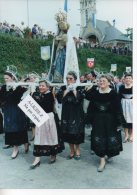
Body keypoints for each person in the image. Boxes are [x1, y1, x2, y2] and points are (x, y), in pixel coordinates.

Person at [85, 74, 124, 172]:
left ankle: (109, 153)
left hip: (110, 120)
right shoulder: (95, 93)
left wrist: (119, 122)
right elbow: (90, 105)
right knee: (99, 138)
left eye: (103, 81)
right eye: (100, 81)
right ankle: (102, 160)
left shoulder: (114, 94)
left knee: (109, 138)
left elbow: (118, 109)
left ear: (109, 83)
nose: (101, 82)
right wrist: (89, 119)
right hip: (98, 120)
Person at [30, 80, 64, 169]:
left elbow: (45, 105)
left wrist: (35, 96)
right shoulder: (38, 94)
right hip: (40, 118)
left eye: (43, 86)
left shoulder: (50, 95)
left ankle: (53, 154)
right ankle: (37, 159)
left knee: (50, 137)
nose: (41, 87)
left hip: (49, 118)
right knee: (38, 137)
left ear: (47, 87)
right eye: (40, 86)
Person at [56, 71, 85, 160]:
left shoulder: (79, 87)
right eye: (67, 78)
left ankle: (78, 150)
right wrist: (67, 90)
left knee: (76, 132)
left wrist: (74, 90)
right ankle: (71, 151)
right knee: (67, 132)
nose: (69, 80)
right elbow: (59, 99)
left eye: (71, 78)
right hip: (66, 113)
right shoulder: (63, 87)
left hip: (76, 113)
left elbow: (80, 99)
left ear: (75, 80)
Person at [0, 71, 29, 158]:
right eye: (4, 78)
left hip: (17, 110)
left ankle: (25, 143)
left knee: (20, 127)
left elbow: (17, 97)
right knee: (10, 129)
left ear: (12, 78)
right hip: (8, 110)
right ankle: (15, 148)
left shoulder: (18, 86)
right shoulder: (4, 87)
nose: (6, 80)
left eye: (7, 78)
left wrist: (16, 88)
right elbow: (2, 98)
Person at [48, 11, 69, 83]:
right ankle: (56, 77)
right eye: (59, 26)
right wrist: (56, 39)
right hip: (58, 50)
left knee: (60, 63)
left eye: (60, 26)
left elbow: (65, 42)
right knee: (57, 63)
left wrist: (58, 39)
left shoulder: (65, 35)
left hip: (62, 51)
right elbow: (57, 42)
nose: (59, 27)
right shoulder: (60, 34)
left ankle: (59, 78)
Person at [119, 73, 133, 142]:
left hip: (132, 104)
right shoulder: (121, 87)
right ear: (124, 79)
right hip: (124, 104)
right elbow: (119, 96)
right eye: (126, 78)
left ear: (132, 79)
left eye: (129, 78)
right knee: (125, 120)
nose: (128, 79)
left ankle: (131, 135)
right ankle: (126, 135)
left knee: (132, 119)